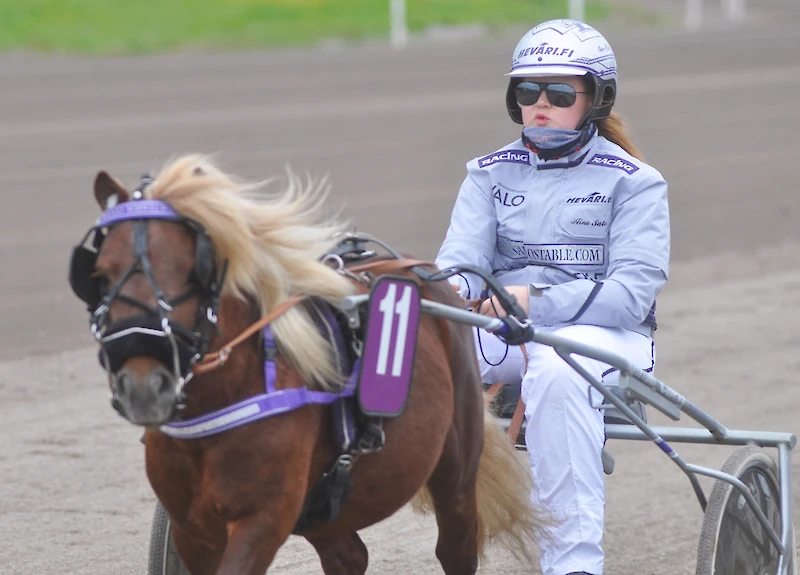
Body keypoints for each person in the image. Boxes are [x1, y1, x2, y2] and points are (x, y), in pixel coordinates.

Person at [434, 19, 670, 575]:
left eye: (560, 93)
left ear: (597, 99)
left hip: (606, 339)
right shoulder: (486, 174)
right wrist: (443, 291)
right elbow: (461, 267)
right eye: (527, 91)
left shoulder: (635, 182)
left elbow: (629, 297)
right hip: (506, 334)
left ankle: (574, 566)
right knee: (416, 356)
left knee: (557, 369)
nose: (541, 104)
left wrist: (530, 300)